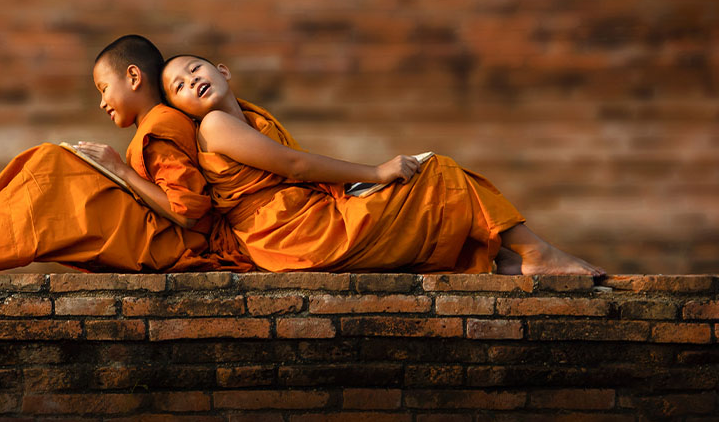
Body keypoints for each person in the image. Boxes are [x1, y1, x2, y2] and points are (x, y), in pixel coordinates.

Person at [160, 55, 605, 276]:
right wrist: (375, 173)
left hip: (300, 223)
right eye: (179, 87)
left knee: (433, 177)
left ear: (223, 70)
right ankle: (534, 253)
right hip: (295, 232)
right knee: (440, 175)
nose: (192, 82)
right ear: (179, 106)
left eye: (196, 70)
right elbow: (295, 166)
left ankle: (508, 258)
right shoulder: (216, 125)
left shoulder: (251, 117)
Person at [0, 36, 251, 275]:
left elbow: (188, 211)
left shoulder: (163, 122)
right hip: (162, 235)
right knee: (48, 165)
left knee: (52, 165)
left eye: (104, 89)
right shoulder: (155, 123)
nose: (103, 102)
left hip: (182, 245)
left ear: (133, 77)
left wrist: (120, 171)